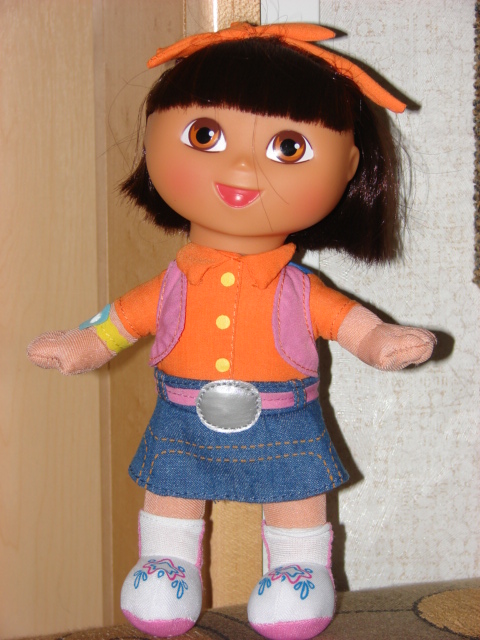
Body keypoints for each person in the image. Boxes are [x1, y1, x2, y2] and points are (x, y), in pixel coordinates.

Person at [27, 22, 435, 640]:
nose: (242, 166)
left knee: (296, 497)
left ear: (349, 167)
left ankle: (299, 573)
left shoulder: (301, 291)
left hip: (285, 420)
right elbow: (121, 321)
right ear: (151, 140)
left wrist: (379, 341)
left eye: (288, 148)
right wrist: (83, 343)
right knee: (172, 494)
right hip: (181, 418)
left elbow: (350, 324)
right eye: (205, 135)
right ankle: (166, 566)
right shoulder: (172, 283)